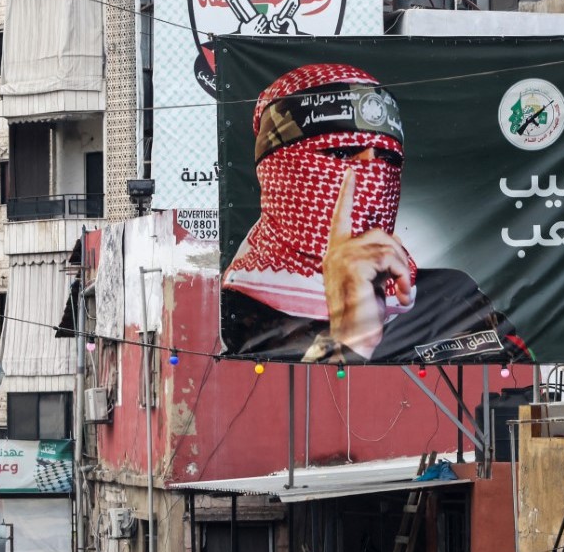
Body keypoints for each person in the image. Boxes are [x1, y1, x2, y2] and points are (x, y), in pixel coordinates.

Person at [222, 63, 529, 364]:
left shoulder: (450, 296)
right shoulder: (235, 314)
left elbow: (524, 381)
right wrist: (352, 338)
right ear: (279, 171)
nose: (374, 174)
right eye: (342, 153)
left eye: (387, 157)